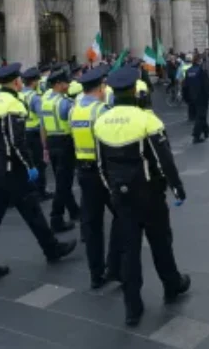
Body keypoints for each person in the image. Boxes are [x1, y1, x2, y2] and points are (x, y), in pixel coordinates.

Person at [93, 67, 190, 326]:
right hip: (149, 193)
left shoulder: (101, 122)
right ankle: (172, 284)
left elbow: (101, 164)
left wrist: (111, 189)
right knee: (160, 241)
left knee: (129, 250)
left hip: (120, 195)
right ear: (135, 91)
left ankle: (132, 308)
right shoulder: (148, 120)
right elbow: (164, 159)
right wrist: (177, 187)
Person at [0, 63, 76, 284]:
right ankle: (52, 249)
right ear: (16, 82)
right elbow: (16, 143)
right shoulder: (14, 104)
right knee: (32, 211)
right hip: (12, 169)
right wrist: (29, 165)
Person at [70, 67, 122, 289]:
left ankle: (96, 274)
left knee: (92, 225)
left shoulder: (74, 110)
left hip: (83, 171)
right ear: (100, 88)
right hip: (104, 172)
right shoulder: (102, 110)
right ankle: (115, 266)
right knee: (122, 217)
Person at [40, 69, 80, 233]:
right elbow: (75, 126)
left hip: (51, 141)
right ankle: (56, 218)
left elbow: (42, 126)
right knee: (64, 184)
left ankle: (74, 211)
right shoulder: (65, 103)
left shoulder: (45, 100)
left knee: (61, 180)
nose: (69, 84)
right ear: (58, 84)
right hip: (65, 143)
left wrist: (45, 148)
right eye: (66, 82)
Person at [21, 67, 51, 200]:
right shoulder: (35, 97)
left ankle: (28, 189)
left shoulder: (19, 94)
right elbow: (42, 119)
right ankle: (40, 191)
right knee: (40, 163)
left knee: (27, 162)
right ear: (34, 82)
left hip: (21, 132)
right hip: (34, 133)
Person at [182, 53, 209, 143]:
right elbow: (206, 86)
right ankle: (196, 135)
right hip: (201, 97)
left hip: (192, 97)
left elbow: (185, 86)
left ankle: (206, 131)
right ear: (199, 61)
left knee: (200, 114)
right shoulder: (201, 71)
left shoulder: (188, 71)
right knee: (201, 115)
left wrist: (186, 98)